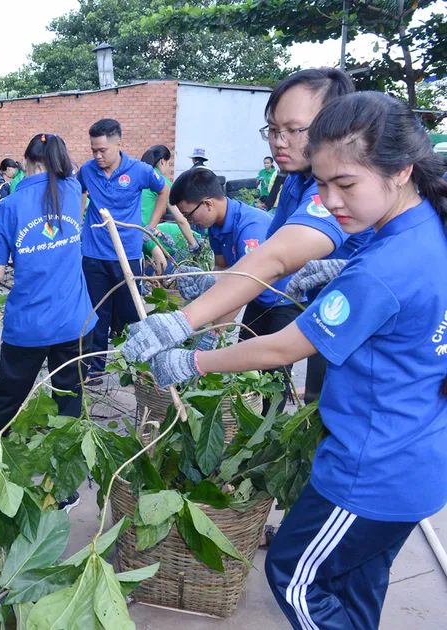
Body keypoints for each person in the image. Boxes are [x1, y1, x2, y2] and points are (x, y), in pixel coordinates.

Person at [144, 90, 447, 630]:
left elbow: (287, 346)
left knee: (294, 575)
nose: (330, 201)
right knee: (355, 585)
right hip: (417, 460)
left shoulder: (386, 268)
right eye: (323, 184)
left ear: (401, 171)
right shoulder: (426, 232)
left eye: (345, 185)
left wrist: (193, 363)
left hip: (369, 471)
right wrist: (343, 275)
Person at [122, 68, 371, 410]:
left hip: (355, 324)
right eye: (272, 129)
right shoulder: (296, 182)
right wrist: (214, 282)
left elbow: (275, 262)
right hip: (329, 312)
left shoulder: (331, 188)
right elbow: (267, 260)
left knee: (311, 399)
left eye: (293, 130)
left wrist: (184, 323)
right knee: (320, 404)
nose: (279, 140)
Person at [0, 133, 96, 510]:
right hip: (75, 322)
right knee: (69, 401)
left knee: (8, 398)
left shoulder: (7, 208)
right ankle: (63, 488)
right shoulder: (74, 190)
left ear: (27, 160)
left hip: (28, 325)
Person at [169, 167, 300, 409]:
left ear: (207, 204)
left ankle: (271, 429)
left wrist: (213, 330)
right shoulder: (216, 226)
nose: (190, 223)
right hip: (259, 300)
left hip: (284, 300)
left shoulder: (250, 227)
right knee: (246, 360)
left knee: (274, 373)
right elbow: (221, 268)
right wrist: (204, 288)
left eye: (189, 216)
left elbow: (243, 286)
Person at [78, 118, 170, 379]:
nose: (97, 156)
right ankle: (95, 369)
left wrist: (150, 227)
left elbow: (163, 190)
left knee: (133, 312)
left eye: (102, 150)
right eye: (93, 150)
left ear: (119, 144)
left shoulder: (139, 170)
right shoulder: (87, 170)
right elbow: (78, 192)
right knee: (96, 313)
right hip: (93, 254)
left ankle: (139, 368)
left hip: (127, 254)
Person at [139, 145, 200, 252]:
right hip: (145, 233)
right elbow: (180, 219)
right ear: (163, 161)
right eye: (169, 163)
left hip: (134, 230)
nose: (168, 167)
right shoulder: (161, 181)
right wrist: (193, 244)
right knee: (188, 235)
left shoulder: (140, 175)